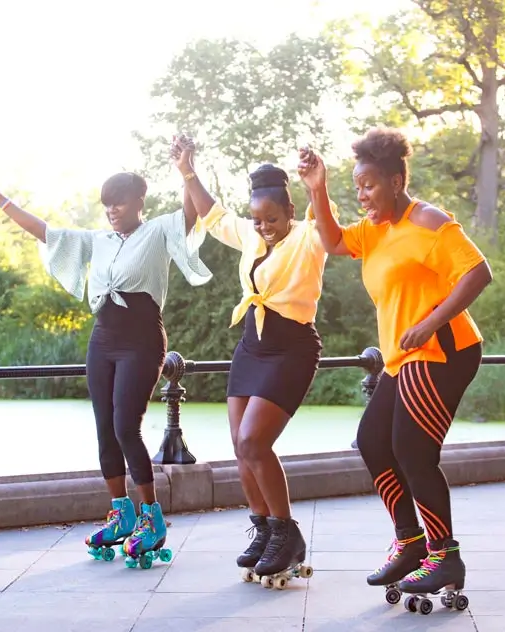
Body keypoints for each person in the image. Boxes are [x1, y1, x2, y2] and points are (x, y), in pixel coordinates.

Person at [0, 173, 212, 568]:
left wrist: (186, 168)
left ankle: (151, 517)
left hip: (142, 340)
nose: (112, 210)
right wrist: (3, 201)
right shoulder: (97, 241)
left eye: (119, 202)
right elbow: (46, 233)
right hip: (103, 340)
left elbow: (191, 211)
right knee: (104, 429)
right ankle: (120, 512)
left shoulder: (158, 232)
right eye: (107, 204)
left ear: (138, 201)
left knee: (125, 427)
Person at [298, 128, 492, 601]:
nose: (362, 195)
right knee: (372, 442)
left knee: (412, 450)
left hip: (443, 349)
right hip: (402, 357)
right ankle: (410, 543)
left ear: (397, 179)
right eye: (357, 187)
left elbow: (478, 272)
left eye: (369, 185)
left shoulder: (430, 222)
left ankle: (444, 554)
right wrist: (318, 188)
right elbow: (333, 240)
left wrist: (430, 322)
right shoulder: (376, 229)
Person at [171, 135, 329, 584]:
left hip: (292, 346)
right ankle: (262, 530)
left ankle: (287, 533)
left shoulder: (307, 237)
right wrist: (187, 171)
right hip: (251, 344)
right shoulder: (250, 233)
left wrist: (318, 185)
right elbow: (213, 214)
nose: (263, 227)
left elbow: (324, 222)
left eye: (272, 219)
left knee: (255, 441)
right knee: (240, 446)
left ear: (290, 213)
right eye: (258, 219)